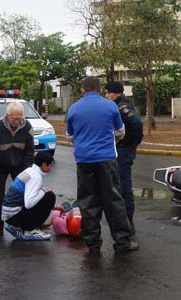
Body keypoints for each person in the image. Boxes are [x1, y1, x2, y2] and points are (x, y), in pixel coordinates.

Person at [66, 76, 138, 256]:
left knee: (88, 202)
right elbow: (120, 131)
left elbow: (69, 136)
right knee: (113, 200)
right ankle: (122, 241)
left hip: (83, 160)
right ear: (99, 89)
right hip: (107, 159)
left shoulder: (73, 108)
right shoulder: (110, 106)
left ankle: (93, 244)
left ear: (82, 90)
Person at [0, 101, 35, 236]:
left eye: (19, 118)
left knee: (26, 193)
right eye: (14, 118)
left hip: (19, 165)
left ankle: (30, 222)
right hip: (0, 165)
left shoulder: (27, 127)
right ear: (8, 116)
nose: (17, 121)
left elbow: (30, 152)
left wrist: (27, 171)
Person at [105, 81, 143, 234]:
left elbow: (136, 123)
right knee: (116, 185)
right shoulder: (116, 105)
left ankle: (128, 221)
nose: (106, 95)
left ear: (117, 93)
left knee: (124, 186)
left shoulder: (122, 107)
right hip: (119, 150)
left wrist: (131, 142)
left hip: (124, 150)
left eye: (108, 92)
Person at [2, 151, 55, 240]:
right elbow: (29, 203)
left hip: (8, 215)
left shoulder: (29, 171)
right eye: (50, 166)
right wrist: (44, 190)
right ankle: (31, 230)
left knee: (43, 195)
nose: (50, 169)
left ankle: (18, 226)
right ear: (44, 165)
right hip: (14, 217)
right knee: (50, 196)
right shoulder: (36, 177)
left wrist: (55, 207)